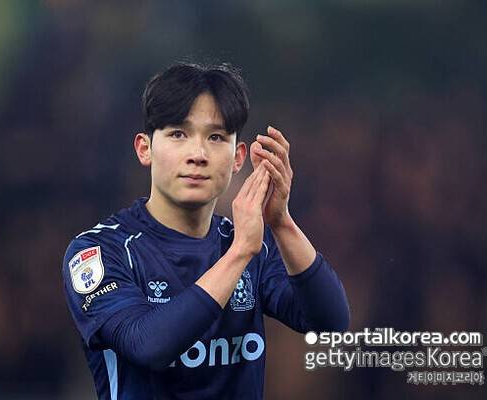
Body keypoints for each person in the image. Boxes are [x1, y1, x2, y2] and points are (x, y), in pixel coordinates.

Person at [62, 62, 350, 400]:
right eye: (178, 134)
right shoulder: (101, 250)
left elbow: (329, 322)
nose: (197, 154)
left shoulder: (250, 243)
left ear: (238, 157)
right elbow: (148, 345)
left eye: (216, 137)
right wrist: (240, 253)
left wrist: (281, 222)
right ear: (145, 148)